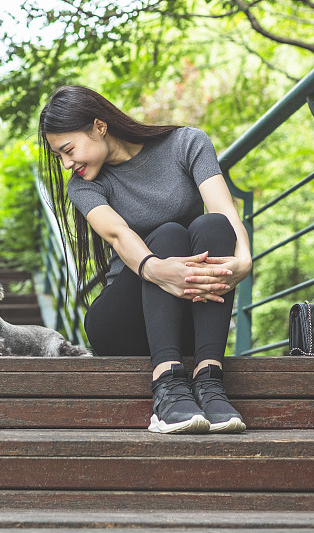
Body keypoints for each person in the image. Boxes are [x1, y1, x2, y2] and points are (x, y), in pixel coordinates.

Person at [38, 85, 252, 434]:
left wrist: (244, 260)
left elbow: (223, 208)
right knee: (168, 234)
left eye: (68, 150)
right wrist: (157, 268)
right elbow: (119, 234)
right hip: (125, 323)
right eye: (60, 156)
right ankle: (166, 387)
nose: (67, 164)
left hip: (187, 313)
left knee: (213, 225)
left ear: (99, 126)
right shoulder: (82, 186)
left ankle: (210, 381)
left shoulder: (187, 143)